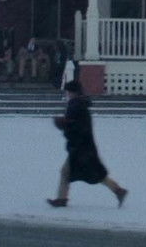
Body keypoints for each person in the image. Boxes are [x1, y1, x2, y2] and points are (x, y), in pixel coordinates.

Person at [47, 80, 127, 208]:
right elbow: (78, 125)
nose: (67, 94)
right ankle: (118, 190)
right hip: (84, 146)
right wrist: (65, 124)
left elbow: (76, 126)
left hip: (80, 147)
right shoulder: (80, 104)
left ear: (73, 92)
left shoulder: (76, 106)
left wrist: (63, 124)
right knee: (93, 173)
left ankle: (61, 199)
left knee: (71, 172)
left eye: (68, 91)